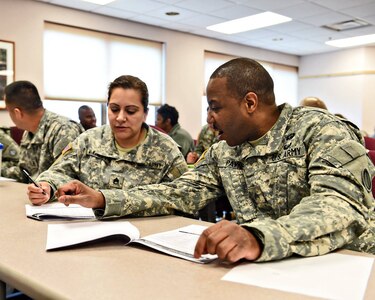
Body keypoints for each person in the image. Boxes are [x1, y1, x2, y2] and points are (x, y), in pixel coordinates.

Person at [46, 58, 374, 263]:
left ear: (250, 102)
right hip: (270, 269)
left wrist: (257, 236)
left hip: (348, 266)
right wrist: (104, 198)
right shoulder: (223, 150)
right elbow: (178, 191)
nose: (209, 120)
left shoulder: (320, 131)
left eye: (216, 106)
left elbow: (337, 204)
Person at [27, 75, 188, 205]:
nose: (120, 118)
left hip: (144, 234)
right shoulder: (89, 140)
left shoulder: (166, 150)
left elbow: (183, 198)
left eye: (131, 111)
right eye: (114, 109)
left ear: (145, 114)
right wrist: (46, 187)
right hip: (86, 231)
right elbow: (58, 171)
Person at [3, 80, 83, 182]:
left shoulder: (64, 130)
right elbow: (25, 172)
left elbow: (68, 177)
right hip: (35, 194)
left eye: (9, 111)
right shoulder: (29, 132)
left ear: (17, 113)